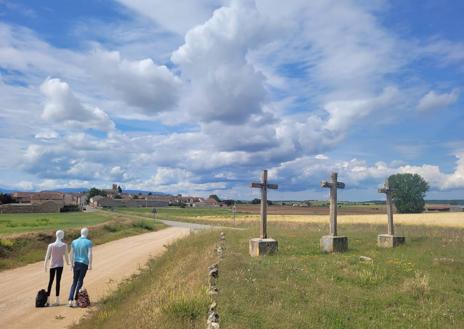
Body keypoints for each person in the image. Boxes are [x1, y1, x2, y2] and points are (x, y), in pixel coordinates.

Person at [44, 230, 70, 306]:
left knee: (50, 282)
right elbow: (66, 256)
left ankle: (48, 300)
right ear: (61, 235)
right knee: (58, 282)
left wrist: (45, 265)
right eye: (63, 234)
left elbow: (47, 257)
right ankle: (57, 299)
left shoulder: (51, 245)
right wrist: (68, 263)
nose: (63, 235)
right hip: (60, 265)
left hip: (52, 265)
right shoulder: (64, 245)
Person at [68, 227, 93, 307]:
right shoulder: (89, 242)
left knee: (74, 281)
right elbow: (90, 254)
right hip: (84, 263)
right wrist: (90, 264)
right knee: (80, 281)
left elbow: (71, 253)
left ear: (80, 233)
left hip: (76, 263)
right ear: (87, 233)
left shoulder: (74, 241)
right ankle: (76, 299)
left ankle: (70, 299)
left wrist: (71, 264)